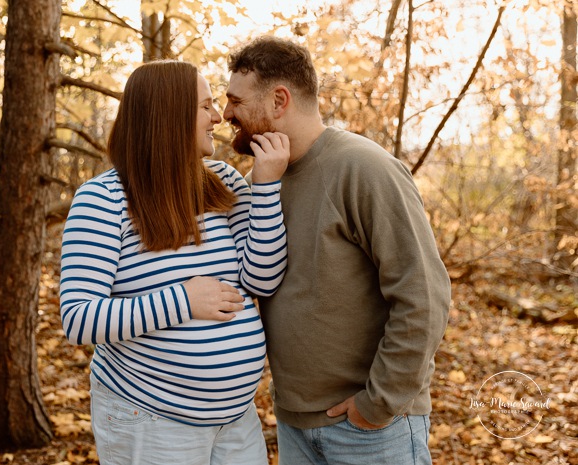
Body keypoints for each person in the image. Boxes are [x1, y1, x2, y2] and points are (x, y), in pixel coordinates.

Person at [223, 36, 451, 465]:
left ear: (278, 100)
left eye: (236, 100)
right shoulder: (267, 179)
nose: (225, 114)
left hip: (369, 430)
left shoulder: (364, 168)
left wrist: (377, 403)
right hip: (294, 425)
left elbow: (424, 295)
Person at [59, 60, 290, 465]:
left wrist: (267, 185)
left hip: (235, 421)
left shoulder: (225, 183)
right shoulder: (102, 200)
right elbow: (79, 319)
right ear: (167, 116)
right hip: (150, 419)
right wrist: (182, 299)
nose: (218, 117)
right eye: (205, 107)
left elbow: (263, 279)